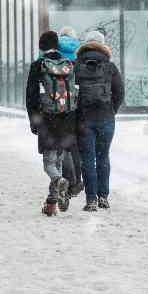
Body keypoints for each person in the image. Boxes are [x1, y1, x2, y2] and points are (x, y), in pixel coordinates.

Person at [26, 31, 79, 216]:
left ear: (41, 46)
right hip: (66, 117)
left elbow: (31, 96)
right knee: (59, 158)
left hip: (47, 118)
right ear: (57, 45)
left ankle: (59, 181)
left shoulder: (38, 65)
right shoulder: (68, 64)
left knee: (49, 164)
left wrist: (34, 120)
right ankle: (52, 203)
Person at [75, 30, 123, 212]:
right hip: (106, 118)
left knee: (87, 159)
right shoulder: (110, 67)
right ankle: (104, 197)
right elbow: (119, 93)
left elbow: (73, 94)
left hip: (84, 119)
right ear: (103, 45)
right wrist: (111, 110)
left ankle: (91, 199)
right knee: (103, 157)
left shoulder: (76, 66)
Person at [57, 27, 84, 198]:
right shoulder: (79, 52)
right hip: (76, 106)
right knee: (75, 146)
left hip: (58, 105)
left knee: (61, 146)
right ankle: (76, 181)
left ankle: (65, 179)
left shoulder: (55, 54)